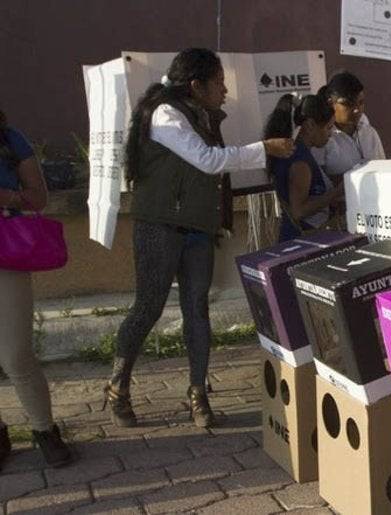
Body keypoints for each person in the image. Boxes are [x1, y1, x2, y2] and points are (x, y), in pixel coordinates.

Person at [104, 48, 294, 428]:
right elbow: (208, 160)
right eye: (219, 82)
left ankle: (198, 393)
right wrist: (265, 149)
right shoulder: (165, 114)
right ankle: (117, 386)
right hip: (159, 227)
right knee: (149, 308)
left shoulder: (203, 115)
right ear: (196, 85)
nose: (225, 90)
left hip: (197, 230)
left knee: (197, 311)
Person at [0, 110, 73, 468]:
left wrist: (7, 198)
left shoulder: (9, 138)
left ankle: (45, 429)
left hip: (5, 252)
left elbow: (38, 198)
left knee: (15, 353)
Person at [264, 94, 340, 242]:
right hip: (299, 242)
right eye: (328, 127)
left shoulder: (298, 153)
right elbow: (298, 211)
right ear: (310, 125)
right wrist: (336, 192)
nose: (330, 134)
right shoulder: (300, 161)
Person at [312, 71, 385, 183]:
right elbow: (318, 182)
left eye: (361, 102)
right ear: (331, 103)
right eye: (348, 104)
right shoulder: (321, 138)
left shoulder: (369, 132)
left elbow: (384, 171)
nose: (356, 110)